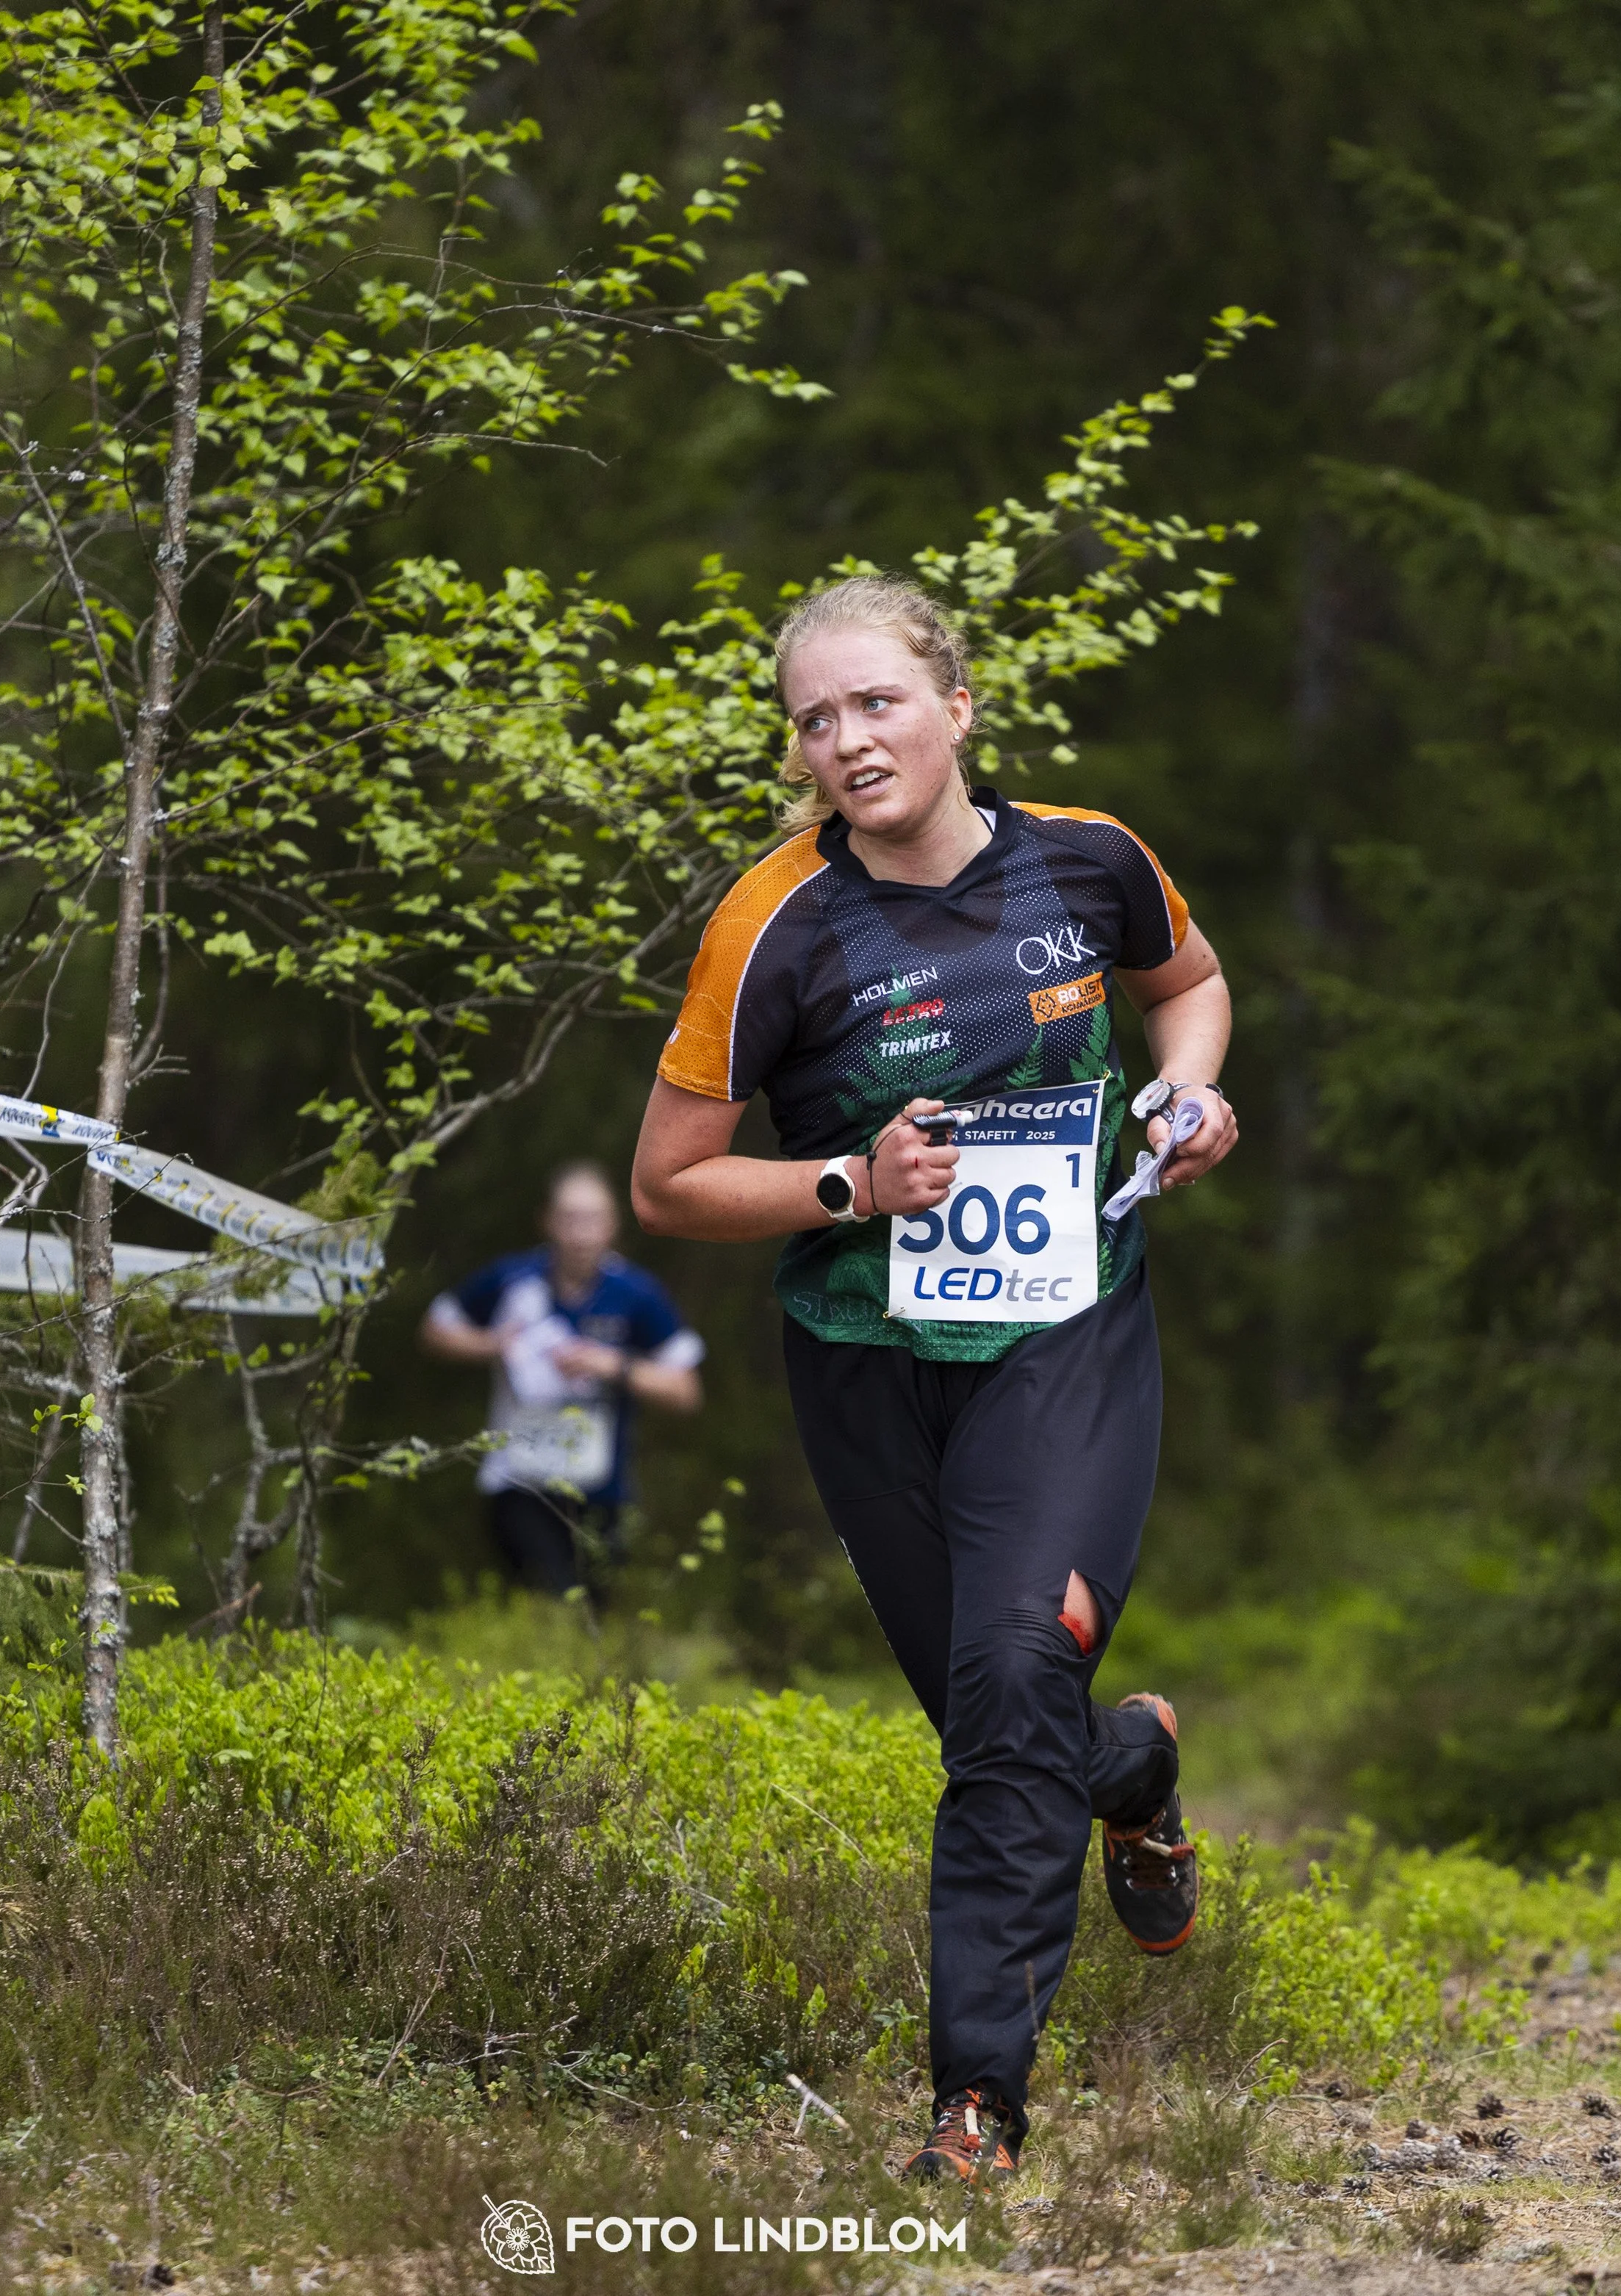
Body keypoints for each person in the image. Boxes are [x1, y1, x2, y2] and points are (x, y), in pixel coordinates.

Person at [631, 576, 1237, 2184]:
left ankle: (976, 2101)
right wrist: (848, 1181)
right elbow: (668, 1182)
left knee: (1006, 1680)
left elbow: (1184, 982)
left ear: (956, 705)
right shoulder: (770, 924)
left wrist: (1187, 1096)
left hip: (1067, 1337)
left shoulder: (1089, 859)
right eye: (814, 719)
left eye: (875, 703)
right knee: (998, 1716)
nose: (844, 740)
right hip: (865, 1362)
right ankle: (1133, 1767)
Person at [421, 1161, 705, 1598]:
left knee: (595, 1611)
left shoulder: (635, 1293)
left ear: (612, 1225)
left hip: (601, 1488)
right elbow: (435, 1330)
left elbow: (685, 1390)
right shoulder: (512, 1280)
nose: (581, 1232)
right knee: (547, 1599)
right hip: (518, 1478)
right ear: (548, 1222)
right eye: (570, 1218)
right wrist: (493, 1344)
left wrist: (611, 1365)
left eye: (592, 1218)